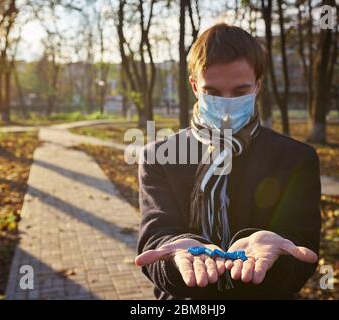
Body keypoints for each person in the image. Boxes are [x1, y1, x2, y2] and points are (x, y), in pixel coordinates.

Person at [134, 23, 321, 299]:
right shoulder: (159, 157)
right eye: (213, 92)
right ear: (195, 86)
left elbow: (300, 252)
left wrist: (275, 260)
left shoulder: (295, 159)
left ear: (257, 85)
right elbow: (156, 241)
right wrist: (176, 255)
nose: (226, 102)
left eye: (240, 90)